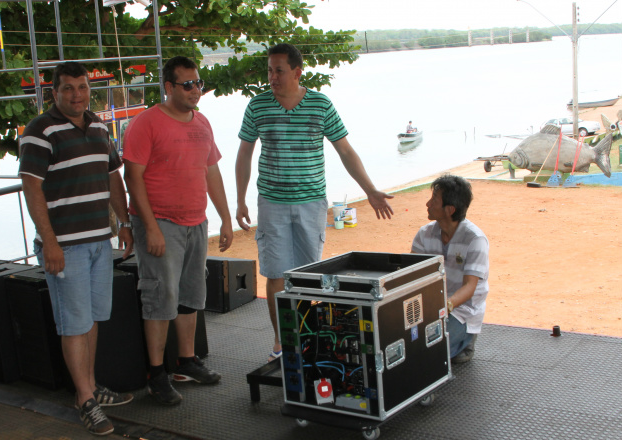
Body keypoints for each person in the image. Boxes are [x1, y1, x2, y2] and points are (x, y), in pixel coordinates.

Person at [235, 43, 394, 362]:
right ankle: (282, 346)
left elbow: (345, 152)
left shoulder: (320, 104)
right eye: (269, 70)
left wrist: (371, 190)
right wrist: (240, 200)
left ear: (297, 72)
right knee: (277, 275)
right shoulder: (258, 106)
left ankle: (308, 342)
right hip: (272, 203)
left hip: (311, 204)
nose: (272, 77)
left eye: (278, 70)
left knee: (310, 276)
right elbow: (244, 154)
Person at [19, 61, 134, 436]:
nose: (76, 94)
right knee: (74, 323)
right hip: (65, 246)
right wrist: (49, 242)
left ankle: (91, 386)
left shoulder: (99, 124)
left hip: (100, 239)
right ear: (54, 93)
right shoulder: (40, 130)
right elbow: (32, 189)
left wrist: (126, 223)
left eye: (82, 87)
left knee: (93, 318)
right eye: (67, 88)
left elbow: (112, 175)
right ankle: (84, 399)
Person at [122, 56, 233, 405]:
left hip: (195, 222)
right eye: (187, 84)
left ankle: (186, 361)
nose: (195, 90)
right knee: (160, 297)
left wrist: (225, 219)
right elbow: (132, 178)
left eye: (198, 83)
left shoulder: (202, 123)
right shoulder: (146, 123)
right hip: (159, 223)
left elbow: (211, 172)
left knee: (190, 293)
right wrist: (150, 228)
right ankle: (157, 374)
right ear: (169, 88)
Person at [411, 175, 489, 363]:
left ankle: (466, 341)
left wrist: (445, 306)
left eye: (434, 199)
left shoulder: (475, 239)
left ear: (450, 210)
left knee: (431, 352)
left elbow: (470, 287)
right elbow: (412, 274)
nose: (427, 204)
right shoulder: (424, 234)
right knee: (409, 344)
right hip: (429, 308)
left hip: (461, 311)